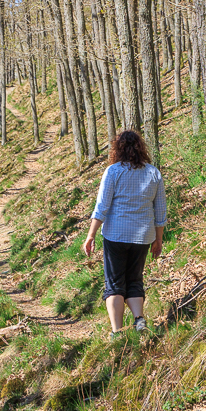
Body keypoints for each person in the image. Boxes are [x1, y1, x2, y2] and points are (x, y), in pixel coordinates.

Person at [81, 130, 166, 336]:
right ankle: (139, 319)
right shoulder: (153, 173)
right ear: (140, 149)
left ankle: (117, 332)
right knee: (135, 279)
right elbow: (160, 211)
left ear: (117, 149)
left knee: (115, 283)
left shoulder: (113, 172)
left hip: (116, 235)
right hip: (142, 236)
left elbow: (102, 207)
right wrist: (158, 240)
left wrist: (91, 235)